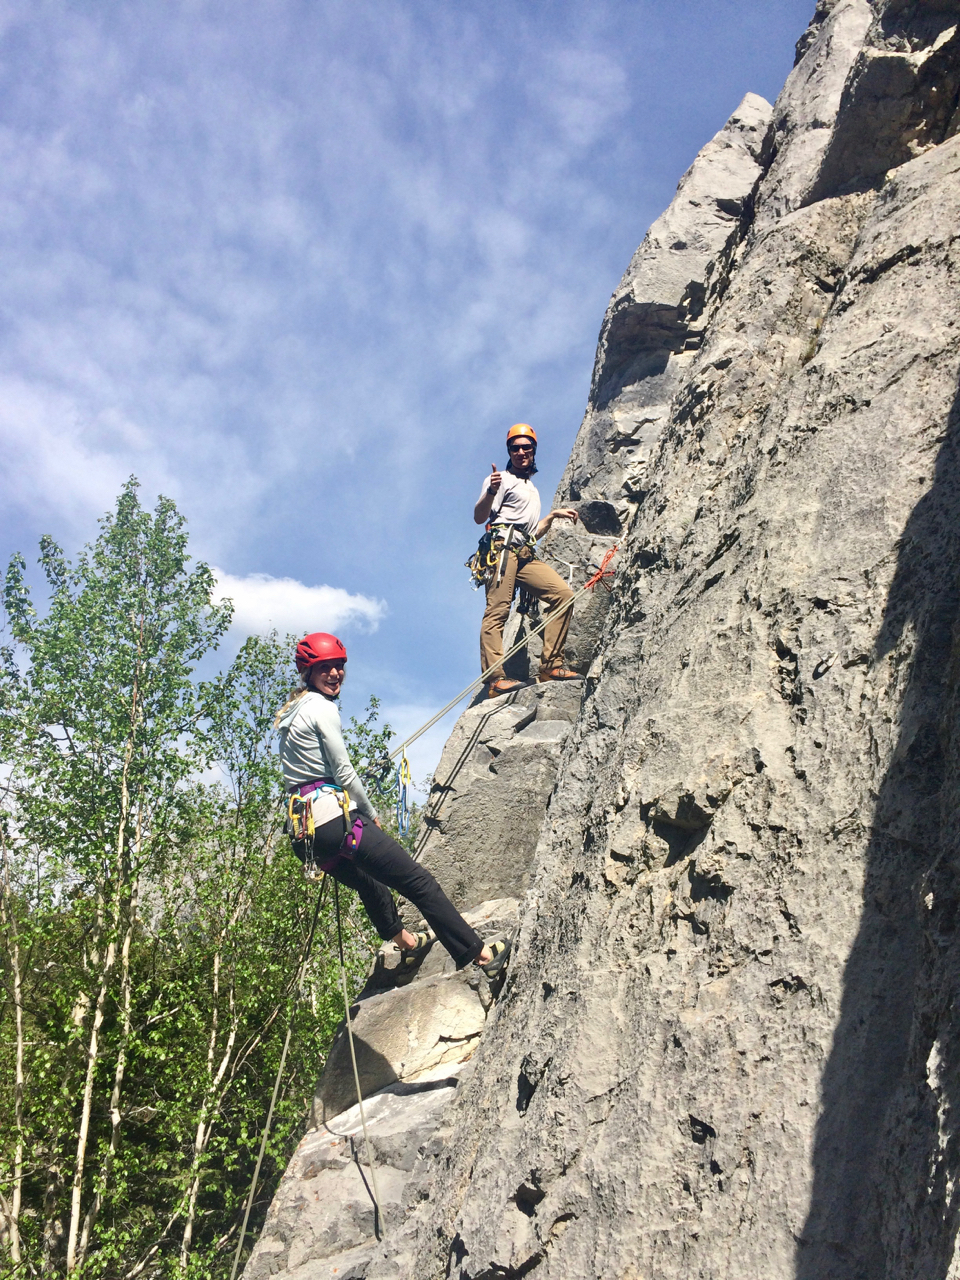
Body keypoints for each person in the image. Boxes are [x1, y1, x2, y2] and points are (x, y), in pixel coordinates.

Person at [275, 632, 506, 973]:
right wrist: (368, 813)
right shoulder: (322, 709)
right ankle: (482, 955)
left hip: (305, 835)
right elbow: (343, 771)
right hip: (331, 821)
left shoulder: (290, 712)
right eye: (325, 668)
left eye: (339, 667)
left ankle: (407, 944)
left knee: (369, 882)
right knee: (417, 882)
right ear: (308, 672)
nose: (335, 674)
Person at [474, 423, 580, 697]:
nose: (521, 452)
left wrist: (552, 516)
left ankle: (551, 666)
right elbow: (479, 517)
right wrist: (490, 492)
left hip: (523, 551)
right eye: (515, 448)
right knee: (498, 610)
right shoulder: (500, 480)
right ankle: (495, 679)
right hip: (501, 548)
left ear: (533, 450)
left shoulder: (530, 487)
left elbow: (530, 534)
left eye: (526, 447)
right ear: (509, 452)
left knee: (563, 595)